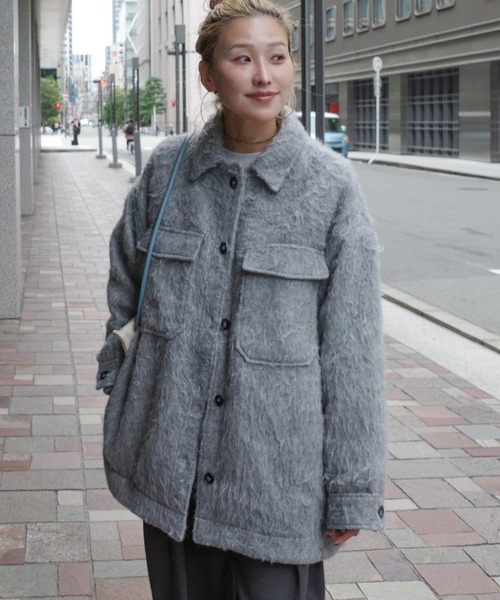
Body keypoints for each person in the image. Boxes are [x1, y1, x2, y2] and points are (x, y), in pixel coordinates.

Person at [96, 0, 387, 598]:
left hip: (277, 483)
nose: (263, 76)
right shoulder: (167, 172)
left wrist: (352, 486)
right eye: (242, 58)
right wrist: (123, 380)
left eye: (277, 57)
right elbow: (127, 281)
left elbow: (353, 351)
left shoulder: (330, 187)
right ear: (207, 74)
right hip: (171, 472)